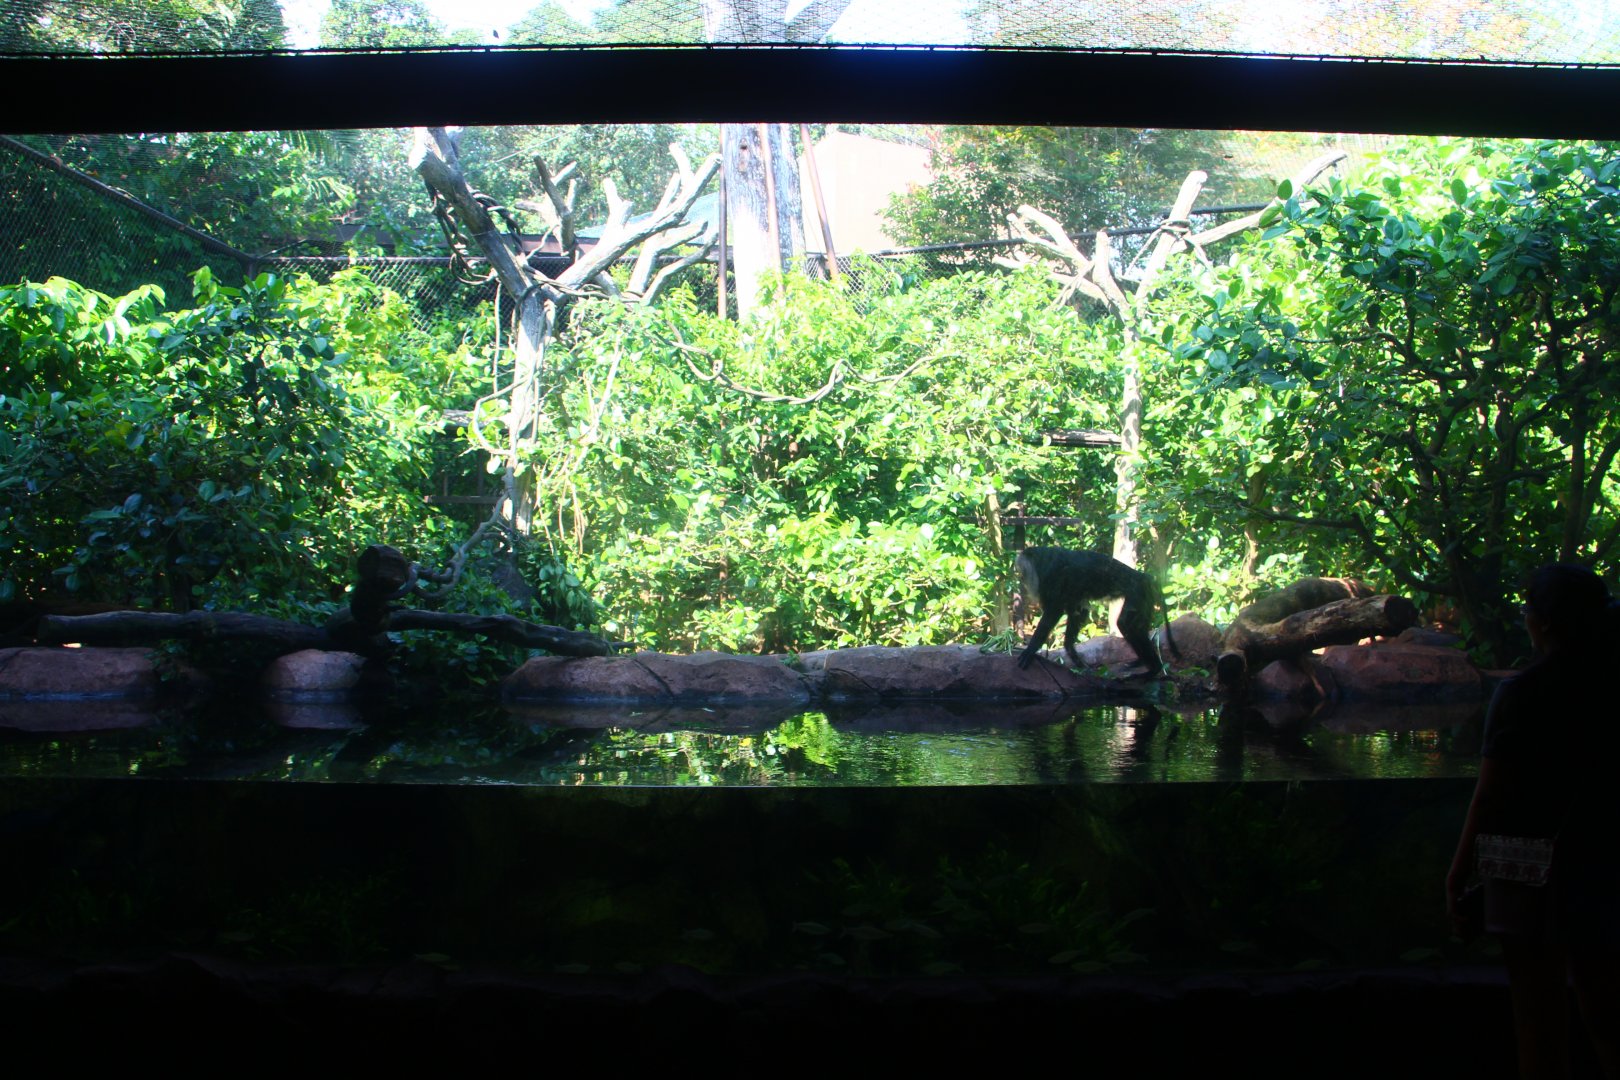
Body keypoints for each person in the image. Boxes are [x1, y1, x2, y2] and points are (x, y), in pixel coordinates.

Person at [1447, 563, 1620, 1079]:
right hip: (1606, 865)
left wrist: (1458, 873)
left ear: (1540, 622)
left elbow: (1488, 798)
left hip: (1529, 874)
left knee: (1537, 1018)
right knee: (1608, 1013)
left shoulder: (1522, 693)